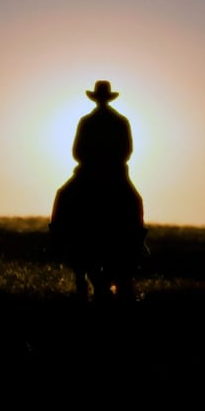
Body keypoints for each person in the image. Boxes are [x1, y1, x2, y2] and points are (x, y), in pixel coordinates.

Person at [50, 80, 146, 303]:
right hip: (114, 172)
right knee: (134, 201)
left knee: (63, 196)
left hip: (92, 171)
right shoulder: (121, 121)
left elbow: (76, 152)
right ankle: (138, 241)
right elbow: (128, 150)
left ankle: (57, 238)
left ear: (97, 98)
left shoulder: (87, 121)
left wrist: (95, 159)